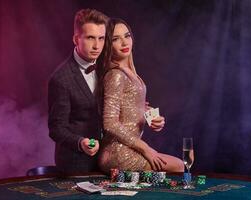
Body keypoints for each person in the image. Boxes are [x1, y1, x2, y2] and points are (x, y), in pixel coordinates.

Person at [98, 18, 184, 173]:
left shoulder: (129, 72)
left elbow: (130, 105)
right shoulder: (115, 74)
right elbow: (109, 123)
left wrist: (151, 116)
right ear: (108, 45)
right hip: (118, 152)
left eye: (127, 36)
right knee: (178, 165)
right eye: (116, 39)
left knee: (177, 166)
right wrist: (145, 148)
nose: (124, 43)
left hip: (128, 147)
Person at [48, 9, 108, 173]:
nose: (97, 45)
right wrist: (80, 142)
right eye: (90, 38)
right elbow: (56, 129)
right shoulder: (60, 79)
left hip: (107, 160)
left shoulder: (107, 68)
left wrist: (145, 113)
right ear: (76, 39)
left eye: (101, 38)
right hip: (75, 164)